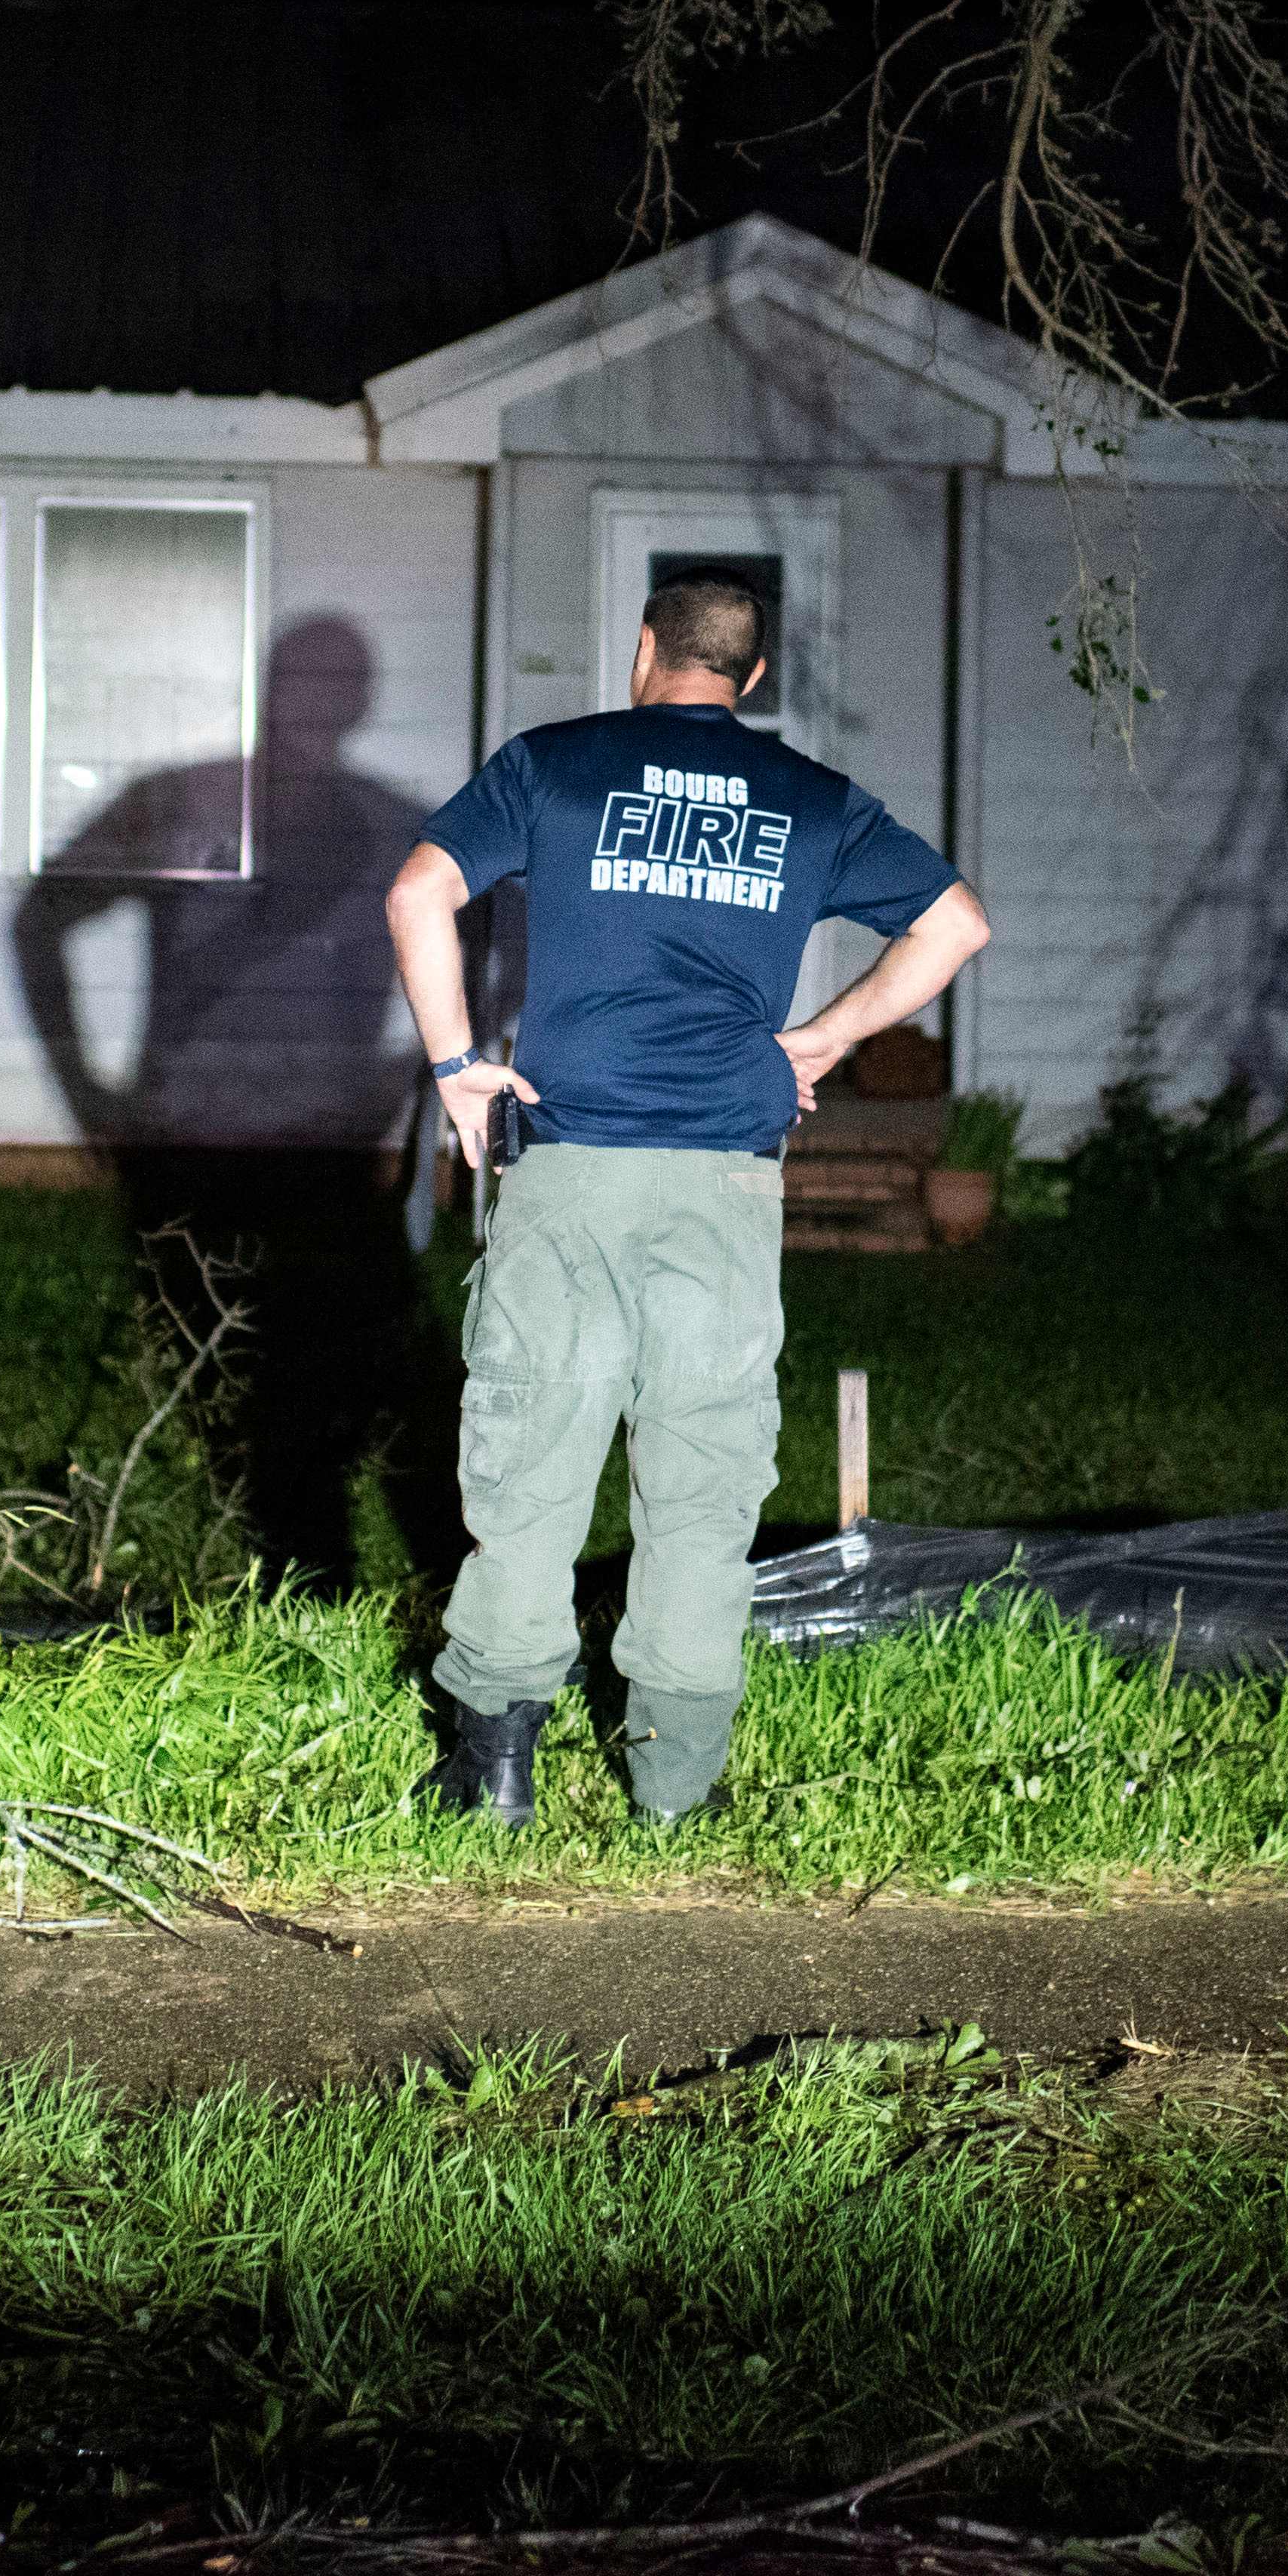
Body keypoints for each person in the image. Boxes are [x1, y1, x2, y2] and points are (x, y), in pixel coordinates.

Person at [382, 571, 992, 1827]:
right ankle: (676, 1785)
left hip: (570, 1173)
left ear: (645, 649)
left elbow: (418, 893)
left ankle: (494, 1775)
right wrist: (821, 1038)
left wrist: (454, 1068)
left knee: (532, 1466)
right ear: (753, 680)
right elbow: (956, 925)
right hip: (727, 1184)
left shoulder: (555, 762)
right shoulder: (814, 800)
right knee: (704, 1487)